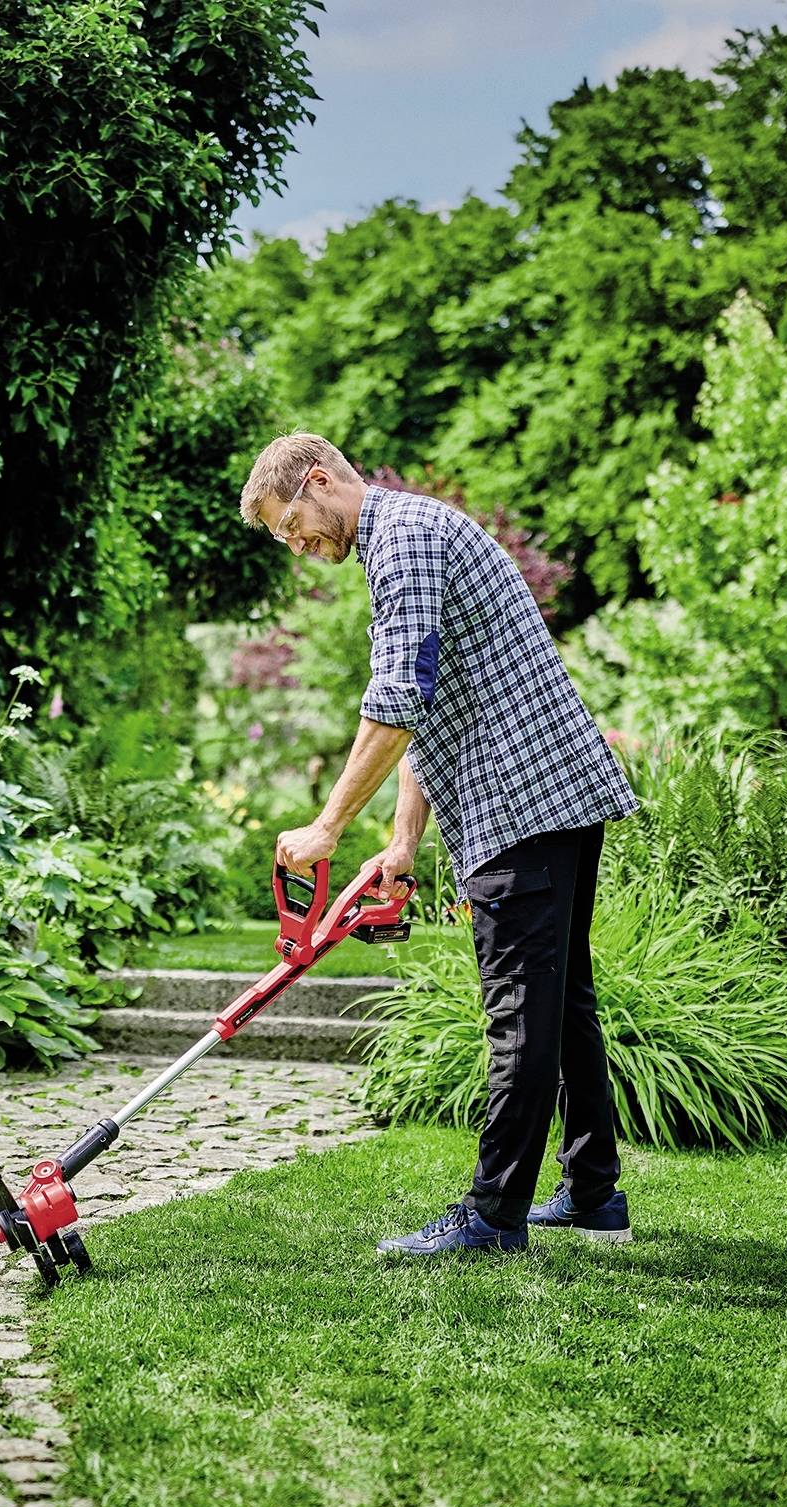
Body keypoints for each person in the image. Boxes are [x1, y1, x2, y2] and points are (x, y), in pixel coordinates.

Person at [239, 434, 639, 1258]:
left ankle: (493, 1215)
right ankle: (594, 1189)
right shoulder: (408, 536)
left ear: (318, 480)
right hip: (551, 795)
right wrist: (401, 839)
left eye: (293, 527)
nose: (301, 549)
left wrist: (327, 826)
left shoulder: (405, 542)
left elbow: (396, 695)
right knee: (562, 1005)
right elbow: (430, 706)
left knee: (520, 1013)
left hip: (522, 801)